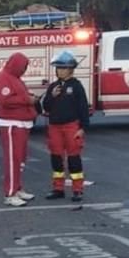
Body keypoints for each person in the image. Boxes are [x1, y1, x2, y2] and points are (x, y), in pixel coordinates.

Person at [41, 50, 89, 202]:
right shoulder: (53, 87)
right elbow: (46, 107)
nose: (59, 71)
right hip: (54, 127)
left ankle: (77, 190)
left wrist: (83, 128)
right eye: (58, 68)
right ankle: (58, 189)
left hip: (71, 126)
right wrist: (52, 96)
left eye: (62, 68)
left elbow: (83, 108)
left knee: (73, 159)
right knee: (56, 158)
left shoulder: (76, 86)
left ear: (70, 69)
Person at [0, 52, 38, 207]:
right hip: (12, 124)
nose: (24, 70)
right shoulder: (3, 78)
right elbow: (5, 100)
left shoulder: (15, 78)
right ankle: (10, 193)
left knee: (20, 159)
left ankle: (17, 188)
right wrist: (28, 100)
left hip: (22, 123)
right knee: (13, 160)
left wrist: (29, 98)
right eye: (24, 66)